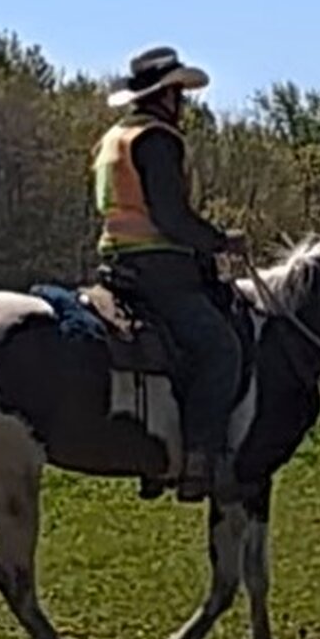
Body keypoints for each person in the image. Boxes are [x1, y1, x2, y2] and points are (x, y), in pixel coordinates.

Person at [91, 46, 248, 503]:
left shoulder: (111, 140)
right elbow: (171, 216)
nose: (183, 102)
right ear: (166, 95)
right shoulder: (158, 140)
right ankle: (199, 458)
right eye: (179, 92)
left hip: (117, 264)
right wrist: (221, 241)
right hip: (159, 267)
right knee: (221, 349)